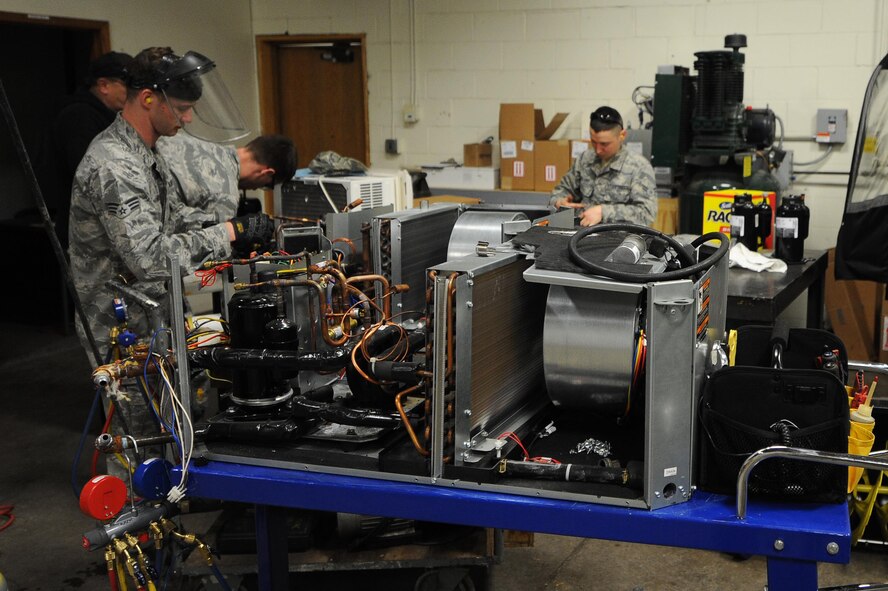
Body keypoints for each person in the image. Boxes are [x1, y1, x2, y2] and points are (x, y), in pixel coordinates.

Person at [69, 46, 273, 361]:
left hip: (157, 311)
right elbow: (149, 258)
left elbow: (173, 219)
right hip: (122, 327)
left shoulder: (149, 152)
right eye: (181, 108)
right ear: (149, 98)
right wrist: (228, 233)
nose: (188, 118)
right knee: (142, 411)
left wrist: (228, 230)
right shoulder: (114, 164)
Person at [47, 51, 133, 247]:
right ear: (104, 85)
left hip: (103, 227)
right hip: (87, 234)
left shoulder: (109, 118)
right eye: (127, 85)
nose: (132, 93)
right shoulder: (79, 117)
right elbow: (93, 176)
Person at [549, 106, 657, 228]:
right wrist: (559, 201)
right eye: (593, 142)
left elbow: (646, 214)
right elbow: (561, 190)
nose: (598, 150)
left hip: (618, 239)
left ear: (622, 135)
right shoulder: (585, 159)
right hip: (580, 234)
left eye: (604, 144)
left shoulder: (639, 167)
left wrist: (603, 212)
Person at [156, 132, 297, 221]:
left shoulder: (192, 140)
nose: (256, 189)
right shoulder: (226, 198)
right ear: (266, 173)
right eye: (267, 185)